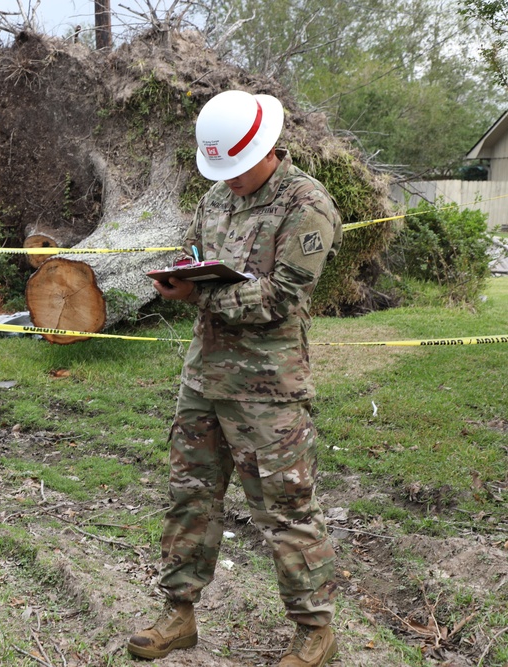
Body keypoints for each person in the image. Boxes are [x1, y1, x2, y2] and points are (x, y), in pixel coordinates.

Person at [127, 90, 343, 667]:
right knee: (190, 498)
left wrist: (204, 293)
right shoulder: (216, 199)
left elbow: (284, 296)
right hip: (204, 377)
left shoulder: (307, 204)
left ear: (268, 148)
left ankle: (313, 628)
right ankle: (179, 613)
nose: (231, 180)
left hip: (269, 388)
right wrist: (178, 278)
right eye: (222, 169)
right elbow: (196, 255)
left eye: (238, 168)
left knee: (285, 508)